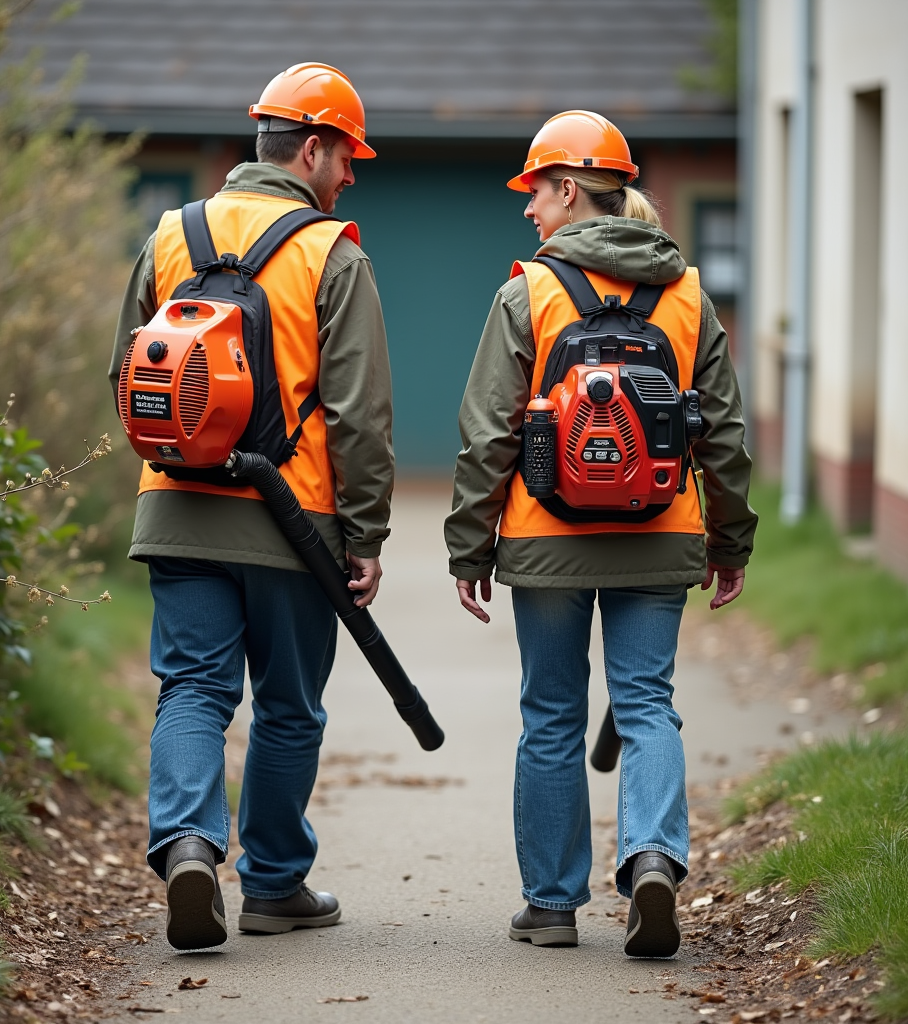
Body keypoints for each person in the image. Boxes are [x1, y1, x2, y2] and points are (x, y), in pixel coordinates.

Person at [444, 110, 756, 957]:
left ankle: (550, 907)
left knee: (550, 712)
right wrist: (728, 540)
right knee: (647, 702)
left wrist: (470, 547)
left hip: (545, 542)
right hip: (660, 533)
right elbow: (723, 430)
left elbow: (489, 434)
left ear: (571, 189)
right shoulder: (686, 293)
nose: (528, 209)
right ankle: (652, 861)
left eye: (536, 191)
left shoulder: (529, 292)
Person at [109, 63, 394, 951]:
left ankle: (190, 844)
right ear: (311, 150)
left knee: (192, 689)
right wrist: (366, 532)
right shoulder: (332, 250)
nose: (350, 176)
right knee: (289, 705)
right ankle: (273, 884)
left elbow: (125, 376)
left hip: (178, 506)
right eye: (345, 157)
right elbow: (360, 412)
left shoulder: (169, 235)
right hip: (293, 523)